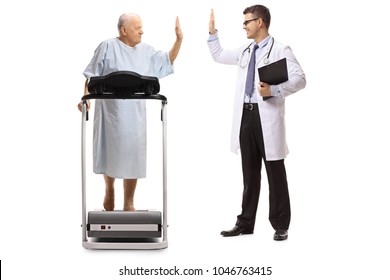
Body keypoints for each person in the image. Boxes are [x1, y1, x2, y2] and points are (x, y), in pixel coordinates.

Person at [207, 5, 306, 240]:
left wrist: (274, 90)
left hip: (267, 118)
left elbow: (300, 79)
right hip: (246, 116)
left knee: (275, 172)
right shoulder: (245, 50)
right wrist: (213, 34)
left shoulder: (281, 49)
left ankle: (281, 225)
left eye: (247, 22)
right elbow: (219, 55)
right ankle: (245, 223)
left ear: (260, 22)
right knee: (249, 173)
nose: (244, 26)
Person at [78, 13, 183, 211]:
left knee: (132, 154)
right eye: (138, 28)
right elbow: (91, 76)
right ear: (124, 30)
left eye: (141, 27)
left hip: (134, 114)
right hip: (110, 111)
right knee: (108, 151)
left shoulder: (145, 51)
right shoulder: (107, 46)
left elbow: (166, 61)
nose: (142, 31)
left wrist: (179, 40)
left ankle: (129, 201)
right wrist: (85, 99)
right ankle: (109, 190)